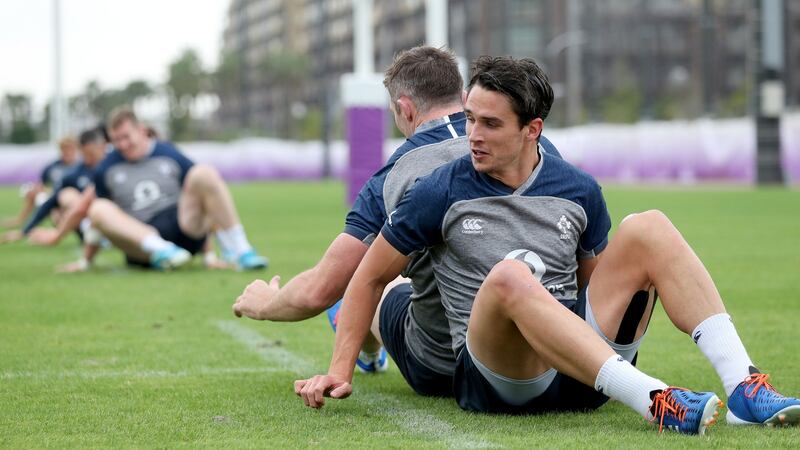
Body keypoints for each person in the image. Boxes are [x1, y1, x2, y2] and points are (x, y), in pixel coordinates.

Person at [295, 56, 800, 435]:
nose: (472, 135)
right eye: (470, 118)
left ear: (532, 130)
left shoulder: (576, 188)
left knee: (649, 225)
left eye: (490, 124)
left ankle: (743, 386)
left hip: (578, 373)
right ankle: (656, 400)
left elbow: (593, 286)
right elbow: (370, 275)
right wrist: (339, 372)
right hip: (498, 378)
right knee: (511, 275)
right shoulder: (440, 190)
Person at [234, 45, 563, 392]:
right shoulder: (534, 148)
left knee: (375, 276)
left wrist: (266, 304)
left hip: (442, 364)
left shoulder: (397, 174)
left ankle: (365, 346)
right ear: (464, 96)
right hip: (537, 356)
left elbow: (321, 289)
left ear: (404, 108)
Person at [54, 107, 268, 271]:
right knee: (98, 206)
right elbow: (99, 220)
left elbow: (204, 200)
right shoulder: (106, 167)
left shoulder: (169, 152)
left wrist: (210, 255)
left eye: (126, 137)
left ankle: (242, 250)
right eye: (116, 139)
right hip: (142, 245)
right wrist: (86, 261)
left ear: (142, 130)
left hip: (184, 231)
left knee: (204, 172)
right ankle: (163, 251)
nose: (122, 144)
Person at [0, 126, 109, 247]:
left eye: (92, 155)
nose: (89, 160)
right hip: (87, 218)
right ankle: (92, 235)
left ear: (103, 147)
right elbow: (50, 201)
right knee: (65, 196)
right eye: (86, 155)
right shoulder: (70, 173)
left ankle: (105, 235)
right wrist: (24, 231)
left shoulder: (114, 165)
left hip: (113, 217)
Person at [1, 136, 80, 228]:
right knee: (33, 193)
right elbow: (41, 184)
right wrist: (37, 191)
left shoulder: (81, 166)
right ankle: (21, 220)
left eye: (69, 148)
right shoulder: (53, 167)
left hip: (75, 200)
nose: (66, 152)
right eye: (64, 149)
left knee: (65, 202)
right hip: (55, 200)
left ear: (75, 149)